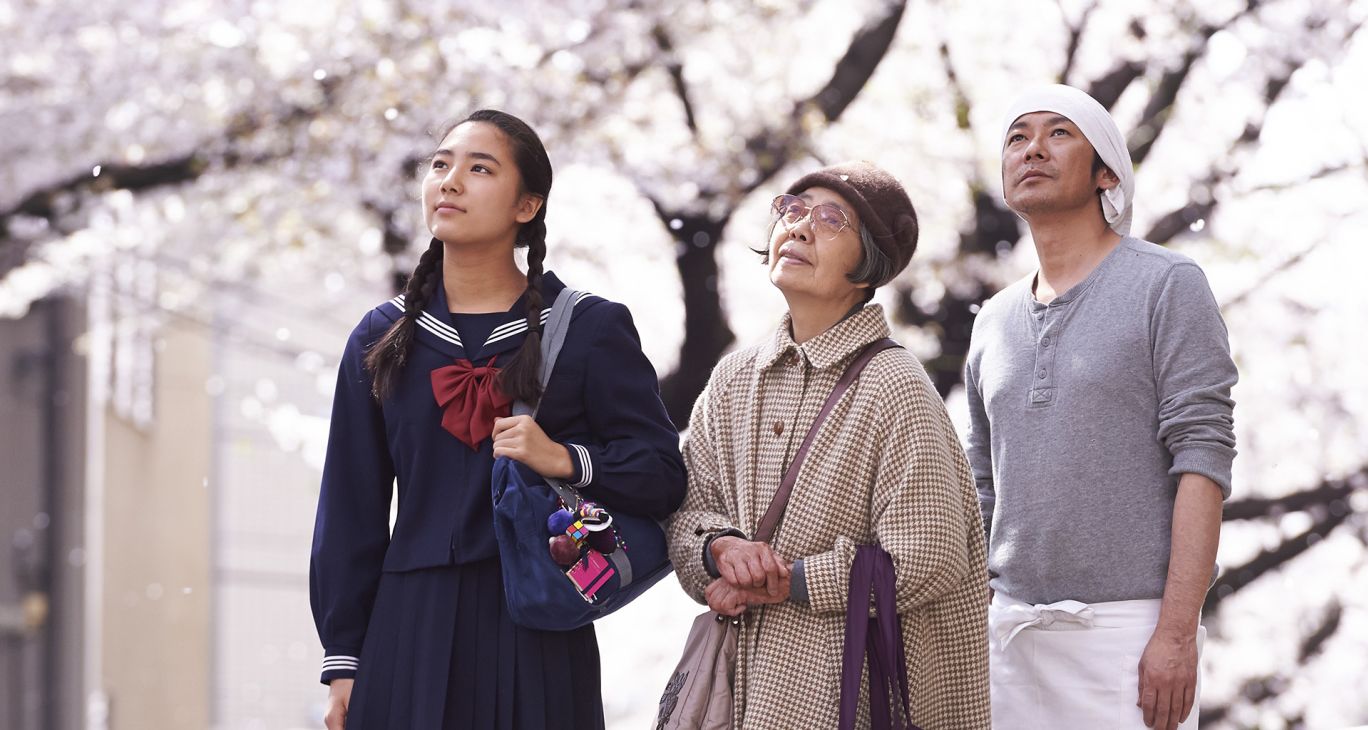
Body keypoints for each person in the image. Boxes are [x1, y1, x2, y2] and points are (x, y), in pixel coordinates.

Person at [309, 109, 686, 729]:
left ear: (527, 205)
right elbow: (349, 507)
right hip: (406, 627)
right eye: (440, 164)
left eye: (479, 168)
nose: (450, 181)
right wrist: (344, 659)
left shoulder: (589, 327)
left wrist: (565, 459)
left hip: (537, 622)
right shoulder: (383, 336)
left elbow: (662, 474)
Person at [666, 162, 991, 728]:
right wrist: (720, 552)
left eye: (830, 219)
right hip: (737, 690)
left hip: (846, 694)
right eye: (790, 211)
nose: (798, 228)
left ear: (869, 262)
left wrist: (791, 580)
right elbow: (690, 510)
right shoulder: (733, 377)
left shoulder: (897, 385)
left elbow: (930, 556)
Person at [964, 84, 1237, 730]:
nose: (1032, 148)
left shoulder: (1167, 285)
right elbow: (981, 490)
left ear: (1106, 172)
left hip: (1131, 637)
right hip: (1007, 642)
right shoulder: (993, 321)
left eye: (1059, 134)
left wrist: (1175, 635)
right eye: (1017, 137)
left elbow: (1203, 459)